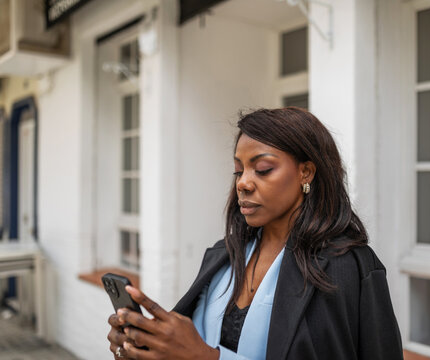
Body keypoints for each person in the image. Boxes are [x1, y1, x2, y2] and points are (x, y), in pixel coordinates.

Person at [107, 107, 403, 360]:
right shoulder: (222, 256)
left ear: (306, 172)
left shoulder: (349, 268)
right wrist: (148, 347)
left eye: (262, 169)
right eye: (239, 170)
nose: (243, 183)